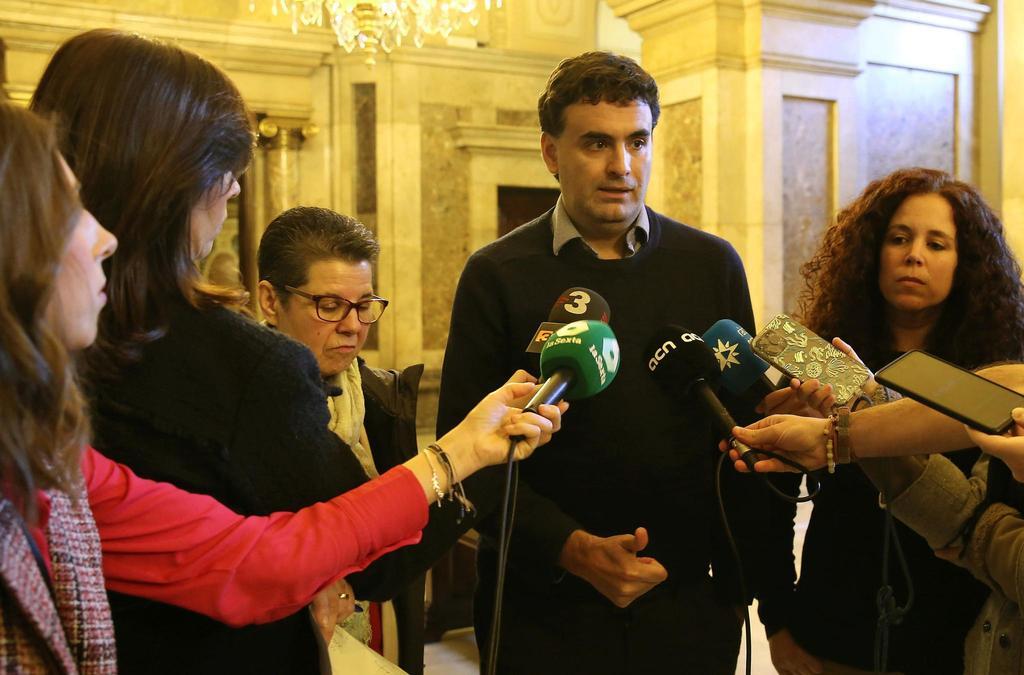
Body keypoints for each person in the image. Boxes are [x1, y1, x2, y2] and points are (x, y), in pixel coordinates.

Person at [0, 101, 563, 674]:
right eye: (66, 211)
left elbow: (261, 558)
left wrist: (467, 450)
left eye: (365, 306)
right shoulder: (249, 379)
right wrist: (460, 456)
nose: (105, 239)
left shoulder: (55, 457)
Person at [739, 166, 1024, 671]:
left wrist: (983, 535)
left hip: (946, 635)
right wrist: (860, 412)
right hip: (859, 628)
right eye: (898, 238)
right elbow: (966, 504)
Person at [437, 51, 781, 673]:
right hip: (542, 610)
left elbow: (743, 438)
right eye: (596, 143)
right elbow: (465, 456)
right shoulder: (496, 275)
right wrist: (569, 550)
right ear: (551, 153)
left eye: (637, 141)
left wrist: (749, 595)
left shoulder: (711, 266)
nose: (621, 166)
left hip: (686, 607)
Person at [757, 168, 1024, 675]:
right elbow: (768, 507)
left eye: (938, 244)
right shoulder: (821, 364)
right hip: (831, 634)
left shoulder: (995, 379)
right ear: (871, 253)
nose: (915, 256)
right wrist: (777, 620)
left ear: (967, 263)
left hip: (956, 637)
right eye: (900, 239)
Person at [256, 205, 486, 672]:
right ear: (269, 299)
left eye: (364, 306)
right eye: (329, 305)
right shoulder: (239, 403)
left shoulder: (381, 396)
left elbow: (394, 554)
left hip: (383, 634)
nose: (352, 325)